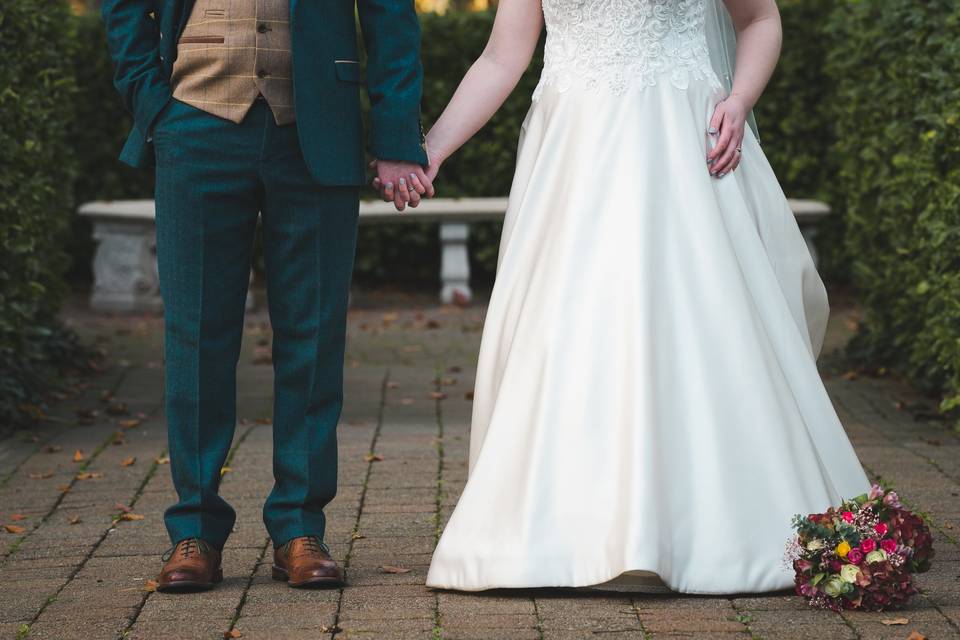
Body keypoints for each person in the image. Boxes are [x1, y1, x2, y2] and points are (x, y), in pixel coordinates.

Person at [415, 0, 872, 593]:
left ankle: (705, 527)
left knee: (696, 323)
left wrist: (738, 100)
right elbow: (503, 56)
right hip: (573, 161)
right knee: (567, 333)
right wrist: (433, 148)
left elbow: (760, 19)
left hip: (681, 152)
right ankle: (561, 530)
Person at [101, 0, 434, 592]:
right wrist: (150, 102)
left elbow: (392, 20)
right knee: (196, 335)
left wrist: (396, 136)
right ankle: (195, 529)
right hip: (194, 119)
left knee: (313, 334)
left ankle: (300, 528)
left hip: (318, 126)